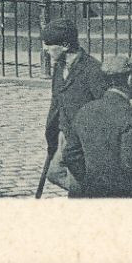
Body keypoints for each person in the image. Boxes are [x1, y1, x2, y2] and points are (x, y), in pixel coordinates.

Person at [64, 56, 132, 199]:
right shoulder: (131, 117)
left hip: (92, 193)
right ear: (130, 79)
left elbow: (71, 154)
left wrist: (89, 182)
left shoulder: (85, 110)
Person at [40, 19, 110, 196]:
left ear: (64, 45)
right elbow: (56, 103)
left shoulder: (92, 70)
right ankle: (94, 193)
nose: (46, 50)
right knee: (54, 173)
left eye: (49, 45)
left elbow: (106, 108)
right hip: (65, 135)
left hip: (84, 142)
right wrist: (52, 136)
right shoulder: (60, 67)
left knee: (77, 188)